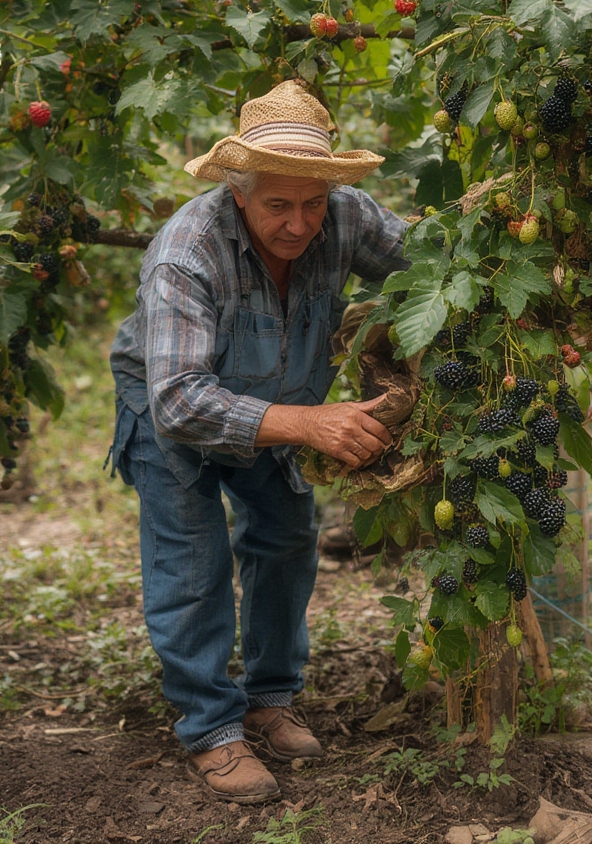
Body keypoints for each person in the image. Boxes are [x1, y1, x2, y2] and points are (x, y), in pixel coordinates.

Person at [108, 80, 408, 805]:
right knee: (193, 564)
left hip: (287, 396)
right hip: (172, 409)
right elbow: (179, 400)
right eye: (278, 205)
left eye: (314, 203)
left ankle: (270, 699)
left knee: (285, 542)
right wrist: (309, 423)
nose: (299, 224)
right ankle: (211, 727)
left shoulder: (347, 215)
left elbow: (432, 265)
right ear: (239, 194)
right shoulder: (187, 252)